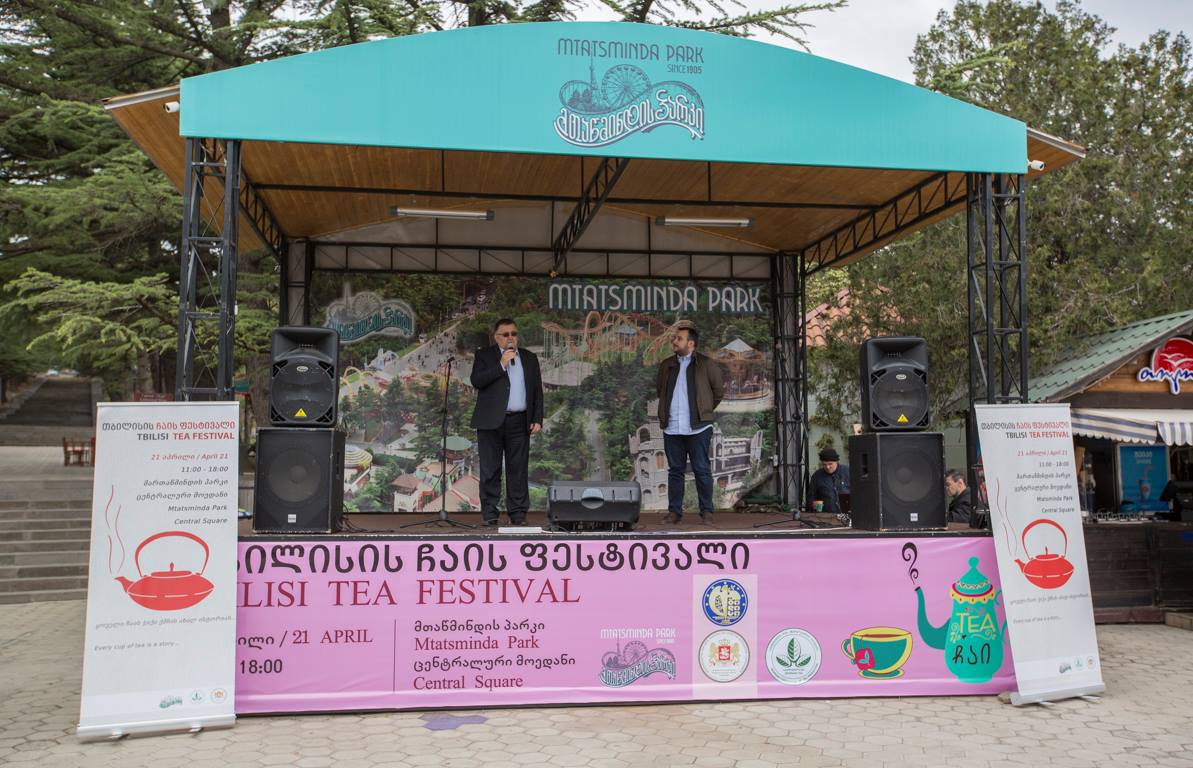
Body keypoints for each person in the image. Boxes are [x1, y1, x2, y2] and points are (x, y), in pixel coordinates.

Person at [470, 318, 543, 526]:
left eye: (514, 334)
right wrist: (502, 364)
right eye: (506, 334)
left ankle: (518, 514)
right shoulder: (484, 356)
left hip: (519, 421)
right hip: (490, 422)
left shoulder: (529, 358)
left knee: (518, 469)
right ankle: (490, 514)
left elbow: (537, 390)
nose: (511, 338)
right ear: (496, 337)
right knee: (490, 469)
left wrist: (537, 418)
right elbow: (477, 381)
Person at [655, 325, 724, 525]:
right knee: (675, 471)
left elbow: (718, 392)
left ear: (691, 343)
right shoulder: (667, 365)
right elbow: (660, 390)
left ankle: (707, 512)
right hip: (672, 427)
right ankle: (674, 512)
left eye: (679, 338)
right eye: (675, 338)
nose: (674, 341)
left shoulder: (706, 364)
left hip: (699, 427)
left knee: (701, 469)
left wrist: (704, 410)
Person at [809, 447, 850, 523]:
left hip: (848, 516)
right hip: (826, 517)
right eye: (824, 464)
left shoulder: (848, 472)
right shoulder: (817, 476)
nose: (827, 467)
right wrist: (813, 504)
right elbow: (810, 498)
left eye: (830, 464)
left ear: (836, 461)